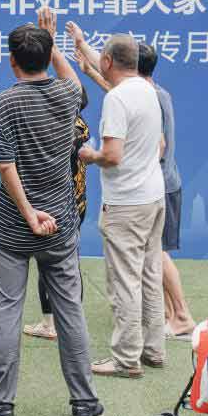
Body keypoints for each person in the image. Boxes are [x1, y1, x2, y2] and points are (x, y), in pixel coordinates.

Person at [0, 7, 103, 416]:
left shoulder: (5, 102)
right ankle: (85, 404)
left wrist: (28, 214)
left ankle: (1, 407)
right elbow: (75, 83)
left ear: (12, 61)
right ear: (47, 57)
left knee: (8, 312)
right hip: (60, 222)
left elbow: (5, 166)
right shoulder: (67, 94)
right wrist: (53, 43)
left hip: (14, 225)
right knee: (70, 311)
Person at [67, 24, 166, 380]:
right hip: (153, 197)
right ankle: (153, 349)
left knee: (125, 281)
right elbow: (159, 145)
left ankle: (126, 358)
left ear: (109, 61)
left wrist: (88, 155)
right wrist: (83, 45)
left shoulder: (117, 99)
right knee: (150, 275)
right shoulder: (147, 90)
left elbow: (111, 155)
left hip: (126, 202)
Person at [137, 42, 197, 339]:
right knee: (152, 252)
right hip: (166, 183)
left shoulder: (148, 97)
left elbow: (158, 146)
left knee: (156, 252)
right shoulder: (157, 92)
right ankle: (167, 313)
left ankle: (182, 316)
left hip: (159, 186)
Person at [23, 86, 90, 341]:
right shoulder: (80, 125)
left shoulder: (64, 127)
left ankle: (51, 324)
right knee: (69, 262)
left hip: (58, 205)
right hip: (76, 203)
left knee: (49, 263)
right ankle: (68, 322)